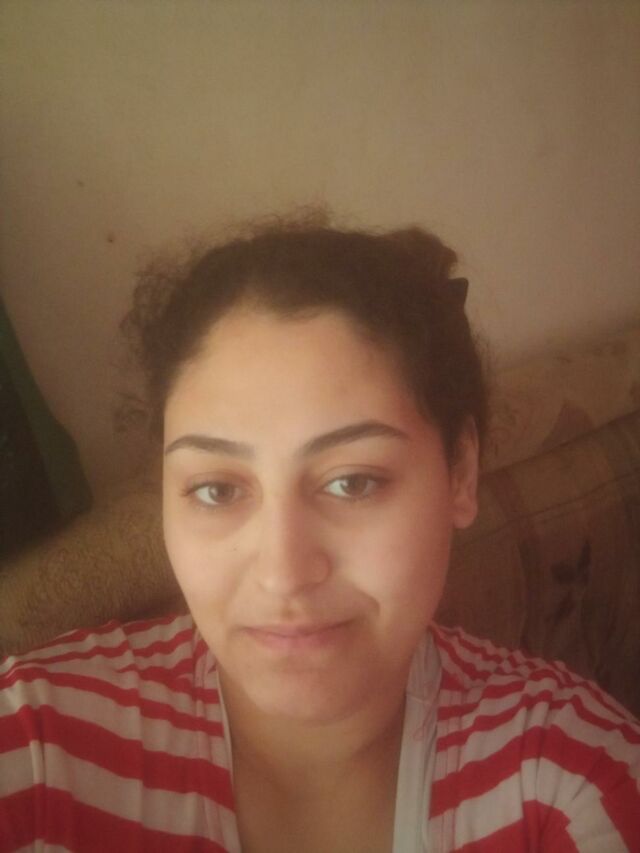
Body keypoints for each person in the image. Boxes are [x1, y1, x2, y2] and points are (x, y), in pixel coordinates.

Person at [1, 216, 638, 852]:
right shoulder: (38, 741)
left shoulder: (572, 777)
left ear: (461, 473)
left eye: (352, 482)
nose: (283, 573)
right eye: (217, 490)